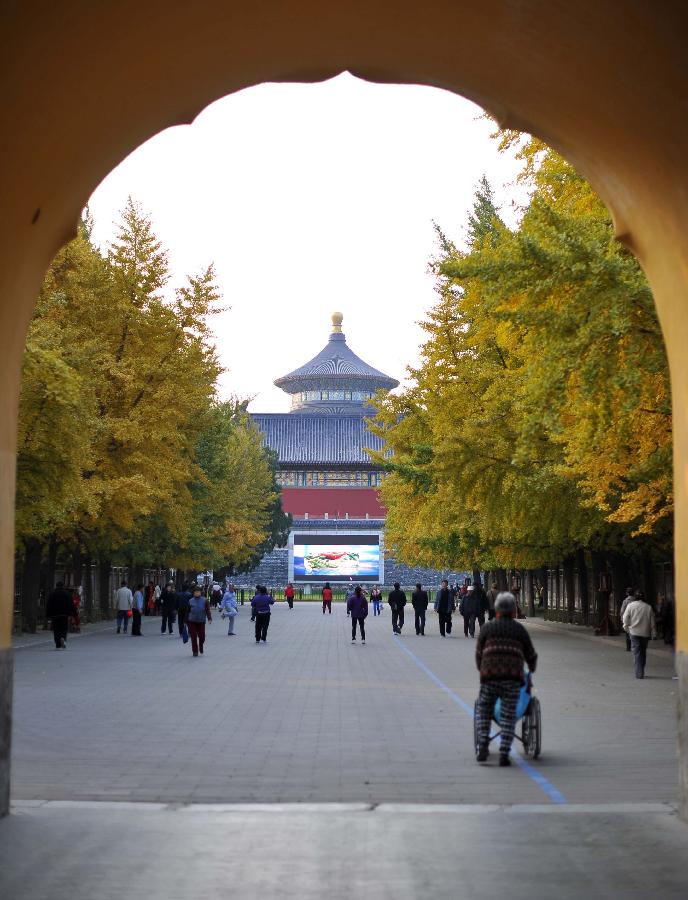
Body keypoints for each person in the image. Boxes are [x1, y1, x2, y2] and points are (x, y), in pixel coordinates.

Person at [475, 591, 538, 766]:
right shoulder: (519, 630)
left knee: (484, 710)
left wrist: (483, 670)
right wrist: (531, 669)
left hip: (489, 676)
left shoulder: (487, 628)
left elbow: (479, 654)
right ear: (512, 611)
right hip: (512, 677)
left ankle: (482, 746)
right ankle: (504, 753)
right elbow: (530, 654)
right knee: (509, 715)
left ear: (496, 610)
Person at [622, 590, 657, 679]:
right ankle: (641, 670)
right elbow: (652, 622)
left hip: (634, 633)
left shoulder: (630, 606)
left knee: (637, 653)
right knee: (643, 652)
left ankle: (639, 673)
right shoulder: (648, 607)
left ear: (635, 597)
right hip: (645, 633)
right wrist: (653, 633)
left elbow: (625, 618)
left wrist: (626, 628)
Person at [46, 581, 73, 649]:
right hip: (64, 614)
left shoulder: (52, 594)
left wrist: (48, 615)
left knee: (56, 629)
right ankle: (63, 638)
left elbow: (49, 605)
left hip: (55, 615)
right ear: (63, 586)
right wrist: (70, 614)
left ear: (56, 586)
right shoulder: (67, 594)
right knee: (64, 628)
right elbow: (70, 604)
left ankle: (58, 644)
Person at [186, 584, 212, 657]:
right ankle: (195, 651)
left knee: (202, 636)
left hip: (201, 621)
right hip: (192, 621)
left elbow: (207, 610)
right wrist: (185, 621)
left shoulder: (205, 600)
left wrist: (209, 618)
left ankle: (201, 645)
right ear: (193, 593)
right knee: (193, 637)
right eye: (195, 592)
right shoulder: (190, 601)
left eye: (198, 592)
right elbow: (187, 611)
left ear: (201, 592)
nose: (197, 593)